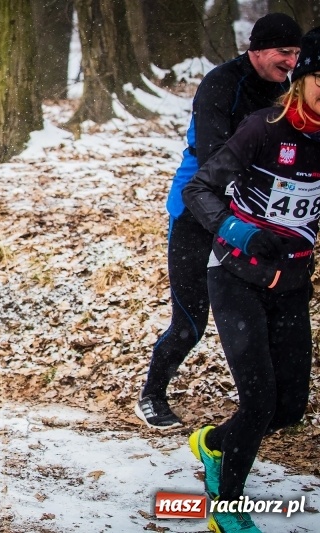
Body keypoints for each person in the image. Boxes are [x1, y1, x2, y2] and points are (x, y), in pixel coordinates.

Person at [181, 27, 320, 533]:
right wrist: (240, 230)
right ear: (301, 79)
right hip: (236, 274)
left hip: (292, 282)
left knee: (287, 409)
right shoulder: (262, 128)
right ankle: (228, 509)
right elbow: (200, 189)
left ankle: (214, 443)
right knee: (258, 401)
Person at [135, 13, 302, 429]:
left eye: (298, 53)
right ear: (258, 49)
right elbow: (214, 155)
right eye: (285, 52)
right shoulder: (222, 83)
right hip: (196, 210)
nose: (291, 62)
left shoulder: (289, 89)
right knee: (190, 321)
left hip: (253, 215)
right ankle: (152, 395)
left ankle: (268, 406)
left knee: (264, 312)